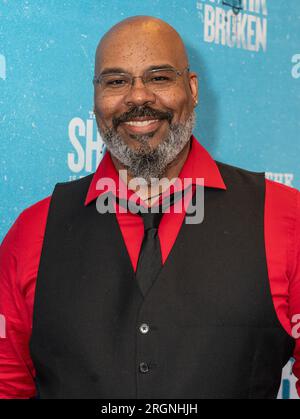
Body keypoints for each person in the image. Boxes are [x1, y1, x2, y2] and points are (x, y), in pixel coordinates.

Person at [0, 15, 299, 399]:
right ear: (95, 99)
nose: (138, 97)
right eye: (116, 81)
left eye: (159, 77)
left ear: (191, 89)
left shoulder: (285, 219)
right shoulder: (33, 231)